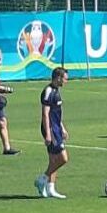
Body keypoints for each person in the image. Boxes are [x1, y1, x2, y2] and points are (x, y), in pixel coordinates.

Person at [35, 67, 69, 199]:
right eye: (65, 78)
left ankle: (51, 189)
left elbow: (56, 113)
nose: (66, 81)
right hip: (51, 129)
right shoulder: (48, 91)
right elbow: (45, 114)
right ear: (58, 78)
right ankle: (42, 179)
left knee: (53, 160)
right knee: (63, 158)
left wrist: (62, 128)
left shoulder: (56, 90)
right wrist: (48, 134)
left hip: (56, 128)